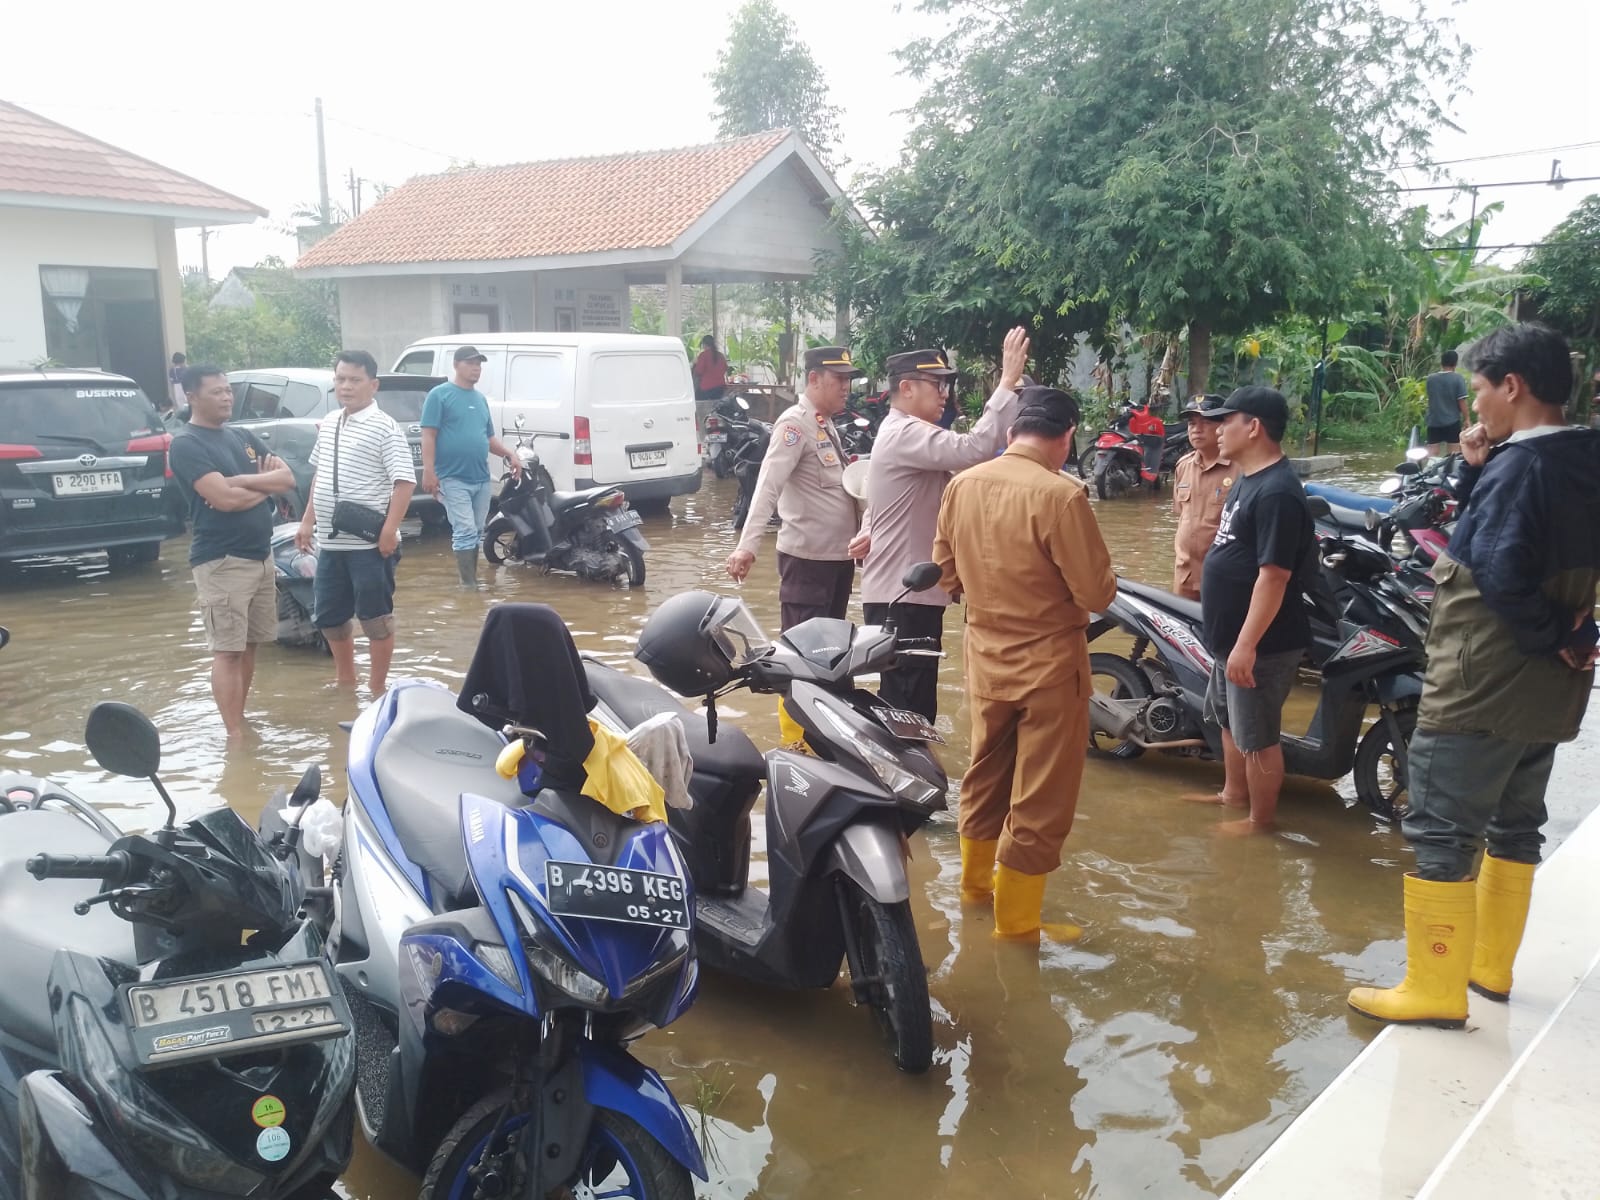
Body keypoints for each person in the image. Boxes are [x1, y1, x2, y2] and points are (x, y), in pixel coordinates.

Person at [1349, 323, 1600, 1029]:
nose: (1476, 406)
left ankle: (1433, 988)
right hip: (1549, 688)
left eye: (1482, 391)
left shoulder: (1522, 468)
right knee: (1517, 824)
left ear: (1512, 387)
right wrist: (1577, 635)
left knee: (1440, 827)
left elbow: (1497, 570)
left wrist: (1553, 634)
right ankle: (1489, 968)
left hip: (1484, 677)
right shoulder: (1579, 457)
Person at [932, 386, 1117, 942]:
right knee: (1041, 795)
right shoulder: (1061, 496)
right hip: (1050, 667)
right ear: (1066, 438)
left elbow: (944, 573)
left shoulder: (961, 485)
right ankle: (1016, 927)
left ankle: (974, 891)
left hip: (985, 660)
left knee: (984, 775)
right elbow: (1097, 593)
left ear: (1012, 433)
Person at [850, 331, 1028, 721]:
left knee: (910, 700)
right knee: (908, 708)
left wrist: (870, 528)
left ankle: (907, 778)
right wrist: (1006, 384)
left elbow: (892, 496)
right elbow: (973, 450)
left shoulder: (903, 433)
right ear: (907, 387)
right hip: (906, 595)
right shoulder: (906, 432)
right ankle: (904, 779)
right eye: (937, 384)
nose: (945, 392)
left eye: (946, 383)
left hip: (908, 592)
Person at [1183, 386, 1314, 835]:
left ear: (1253, 427)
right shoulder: (1247, 477)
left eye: (1227, 420)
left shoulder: (1277, 492)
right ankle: (1232, 794)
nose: (1217, 430)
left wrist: (1246, 645)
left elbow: (1274, 576)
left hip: (1261, 643)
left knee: (1257, 735)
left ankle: (1260, 823)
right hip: (1230, 637)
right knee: (1228, 719)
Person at [167, 364, 295, 741]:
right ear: (192, 396)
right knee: (227, 651)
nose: (226, 397)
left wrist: (241, 481)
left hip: (260, 556)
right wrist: (261, 486)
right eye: (216, 392)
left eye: (227, 390)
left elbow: (287, 479)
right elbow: (222, 500)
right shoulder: (187, 444)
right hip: (221, 561)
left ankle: (240, 719)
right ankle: (234, 735)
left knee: (250, 645)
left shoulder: (241, 437)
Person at [295, 351, 416, 695]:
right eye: (340, 379)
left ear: (373, 385)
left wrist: (390, 531)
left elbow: (404, 482)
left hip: (369, 543)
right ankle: (346, 680)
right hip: (331, 544)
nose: (346, 386)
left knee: (375, 619)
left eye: (354, 380)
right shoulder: (331, 421)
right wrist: (307, 522)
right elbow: (320, 474)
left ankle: (377, 688)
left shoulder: (385, 427)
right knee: (329, 617)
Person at [725, 345, 864, 628]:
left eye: (848, 380)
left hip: (837, 559)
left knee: (832, 655)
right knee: (805, 655)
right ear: (814, 379)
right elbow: (767, 486)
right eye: (839, 379)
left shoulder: (824, 424)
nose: (846, 387)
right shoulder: (794, 425)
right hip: (807, 563)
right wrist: (747, 547)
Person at [420, 346, 521, 589]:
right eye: (470, 363)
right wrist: (429, 470)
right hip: (452, 477)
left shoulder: (480, 399)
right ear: (456, 365)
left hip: (481, 478)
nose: (476, 368)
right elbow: (428, 434)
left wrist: (509, 454)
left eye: (479, 364)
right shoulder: (439, 395)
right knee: (464, 530)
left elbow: (488, 439)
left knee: (476, 531)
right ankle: (469, 587)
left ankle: (471, 581)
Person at [1170, 394, 1232, 600]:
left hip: (1223, 577)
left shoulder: (1240, 469)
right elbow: (1182, 517)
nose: (1197, 429)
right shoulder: (1183, 466)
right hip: (1185, 575)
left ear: (1223, 426)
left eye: (1206, 422)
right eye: (1192, 423)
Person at [1424, 349, 1471, 456]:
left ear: (1441, 363)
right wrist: (1467, 419)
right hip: (1452, 422)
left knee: (1432, 454)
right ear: (1455, 363)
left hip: (1433, 421)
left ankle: (1431, 471)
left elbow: (1431, 398)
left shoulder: (1430, 379)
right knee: (1453, 455)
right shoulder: (1458, 379)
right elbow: (1461, 401)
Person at [692, 335, 729, 403]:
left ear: (704, 344)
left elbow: (699, 371)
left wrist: (695, 364)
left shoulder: (703, 355)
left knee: (696, 403)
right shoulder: (720, 355)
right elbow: (725, 369)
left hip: (706, 388)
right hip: (720, 388)